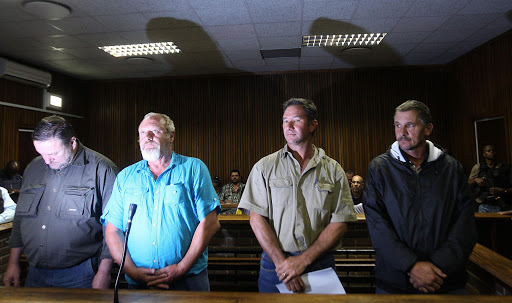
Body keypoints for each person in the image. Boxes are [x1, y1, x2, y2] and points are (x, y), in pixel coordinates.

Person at [239, 98, 356, 293]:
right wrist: (283, 265)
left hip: (319, 263)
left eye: (296, 119)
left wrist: (303, 260)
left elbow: (340, 222)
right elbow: (256, 218)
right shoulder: (265, 167)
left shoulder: (333, 169)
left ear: (313, 125)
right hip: (275, 264)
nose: (289, 126)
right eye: (285, 120)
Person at [364, 100, 477, 294]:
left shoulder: (451, 168)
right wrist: (411, 266)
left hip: (445, 279)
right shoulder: (379, 168)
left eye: (410, 125)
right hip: (395, 279)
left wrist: (437, 267)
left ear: (428, 129)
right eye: (398, 125)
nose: (402, 132)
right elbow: (377, 226)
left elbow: (465, 224)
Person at [101, 112, 220, 291]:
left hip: (188, 280)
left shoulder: (194, 168)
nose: (147, 137)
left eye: (155, 131)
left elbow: (210, 223)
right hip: (139, 281)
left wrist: (182, 268)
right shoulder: (126, 177)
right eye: (142, 133)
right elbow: (113, 230)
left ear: (171, 136)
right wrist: (131, 270)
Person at [3, 115, 118, 289]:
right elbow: (21, 217)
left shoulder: (102, 169)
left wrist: (104, 272)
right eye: (41, 154)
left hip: (82, 274)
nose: (47, 161)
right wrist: (13, 262)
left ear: (72, 143)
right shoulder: (34, 167)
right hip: (34, 272)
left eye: (53, 154)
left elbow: (114, 227)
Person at [468, 145, 512, 212]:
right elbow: (468, 185)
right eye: (488, 151)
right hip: (483, 205)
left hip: (501, 204)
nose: (492, 152)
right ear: (484, 154)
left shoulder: (505, 168)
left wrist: (502, 191)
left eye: (493, 151)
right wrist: (475, 180)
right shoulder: (478, 167)